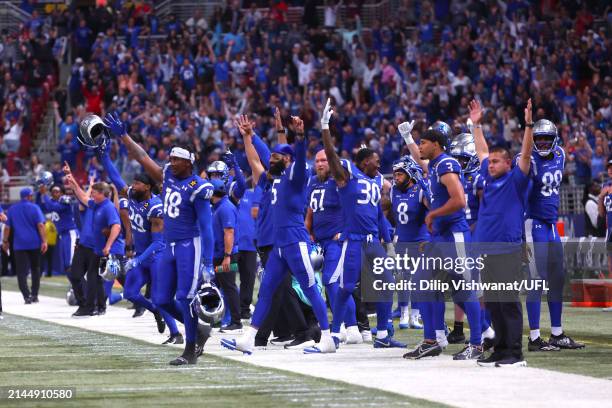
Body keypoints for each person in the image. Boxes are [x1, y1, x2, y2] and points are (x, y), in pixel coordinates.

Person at [221, 114, 336, 355]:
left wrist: (301, 137)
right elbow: (257, 157)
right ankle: (248, 338)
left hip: (296, 241)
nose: (270, 159)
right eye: (271, 156)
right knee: (266, 291)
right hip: (280, 246)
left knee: (310, 287)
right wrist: (250, 136)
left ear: (288, 160)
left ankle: (327, 337)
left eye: (276, 157)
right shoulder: (270, 180)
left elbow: (296, 155)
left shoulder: (296, 177)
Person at [105, 112, 213, 366]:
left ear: (189, 163)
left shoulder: (198, 186)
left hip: (189, 243)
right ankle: (197, 330)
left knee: (184, 297)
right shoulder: (168, 176)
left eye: (177, 159)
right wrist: (124, 136)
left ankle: (190, 348)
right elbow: (143, 157)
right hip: (170, 246)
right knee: (163, 299)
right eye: (171, 158)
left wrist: (208, 261)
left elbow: (206, 227)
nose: (171, 161)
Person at [318, 99, 405, 350]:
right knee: (345, 287)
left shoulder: (375, 181)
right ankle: (333, 335)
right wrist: (325, 127)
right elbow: (333, 157)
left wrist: (388, 242)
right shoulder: (347, 176)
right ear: (364, 161)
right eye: (375, 160)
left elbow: (378, 214)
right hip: (353, 241)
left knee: (387, 284)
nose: (379, 164)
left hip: (372, 242)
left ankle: (383, 334)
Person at [405, 121, 483, 360]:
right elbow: (421, 164)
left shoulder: (447, 163)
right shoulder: (436, 164)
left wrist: (433, 214)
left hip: (454, 234)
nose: (419, 147)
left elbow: (459, 199)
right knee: (421, 283)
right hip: (440, 236)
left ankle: (478, 343)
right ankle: (431, 340)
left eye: (423, 143)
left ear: (436, 145)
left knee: (464, 287)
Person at [471, 98, 533, 367]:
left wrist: (528, 125)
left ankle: (515, 353)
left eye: (497, 162)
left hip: (506, 250)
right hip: (486, 250)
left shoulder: (516, 179)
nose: (491, 164)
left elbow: (527, 155)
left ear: (509, 163)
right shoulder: (488, 173)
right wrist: (475, 126)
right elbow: (482, 152)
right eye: (492, 162)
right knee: (494, 304)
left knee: (508, 302)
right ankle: (499, 349)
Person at [98, 147, 183, 345]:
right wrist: (103, 155)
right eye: (133, 183)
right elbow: (115, 176)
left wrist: (137, 260)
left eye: (137, 183)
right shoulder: (133, 196)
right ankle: (155, 312)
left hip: (157, 257)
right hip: (142, 255)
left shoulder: (155, 207)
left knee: (161, 296)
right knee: (130, 293)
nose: (133, 186)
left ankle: (176, 333)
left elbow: (158, 242)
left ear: (147, 187)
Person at [524, 118, 585, 351]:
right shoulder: (528, 161)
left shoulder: (560, 154)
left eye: (546, 138)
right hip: (534, 223)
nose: (542, 142)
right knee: (536, 280)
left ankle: (557, 333)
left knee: (558, 278)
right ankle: (534, 338)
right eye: (537, 138)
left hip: (550, 225)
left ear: (554, 139)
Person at [305, 149, 362, 344]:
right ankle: (351, 328)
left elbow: (354, 207)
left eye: (324, 160)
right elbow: (311, 209)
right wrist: (308, 230)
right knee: (333, 284)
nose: (320, 164)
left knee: (332, 281)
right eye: (317, 161)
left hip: (336, 240)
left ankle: (349, 327)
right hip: (319, 240)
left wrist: (345, 231)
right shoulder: (312, 181)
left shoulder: (340, 182)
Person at [68, 180, 123, 317]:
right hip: (90, 247)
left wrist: (109, 245)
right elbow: (82, 197)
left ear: (102, 194)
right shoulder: (95, 205)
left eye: (94, 192)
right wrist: (73, 182)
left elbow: (116, 226)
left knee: (98, 278)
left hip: (101, 249)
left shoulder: (108, 207)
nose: (91, 195)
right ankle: (97, 306)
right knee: (85, 277)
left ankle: (93, 307)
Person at [3, 188, 47, 303]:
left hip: (19, 245)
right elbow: (41, 226)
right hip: (34, 243)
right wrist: (44, 241)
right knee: (35, 269)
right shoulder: (35, 207)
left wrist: (5, 241)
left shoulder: (12, 209)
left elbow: (7, 228)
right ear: (29, 196)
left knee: (21, 272)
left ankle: (26, 296)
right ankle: (34, 295)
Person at [209, 178, 242, 333]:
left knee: (229, 287)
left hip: (226, 256)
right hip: (219, 254)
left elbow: (229, 232)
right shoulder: (217, 207)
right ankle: (218, 319)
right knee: (219, 286)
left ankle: (236, 322)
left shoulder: (225, 208)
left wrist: (227, 256)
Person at [37, 184, 79, 276]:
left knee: (71, 263)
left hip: (70, 233)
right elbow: (39, 206)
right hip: (62, 235)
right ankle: (75, 287)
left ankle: (79, 287)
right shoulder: (50, 202)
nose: (54, 193)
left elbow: (54, 207)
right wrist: (39, 192)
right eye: (52, 192)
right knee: (65, 265)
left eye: (57, 191)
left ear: (62, 193)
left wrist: (44, 194)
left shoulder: (64, 200)